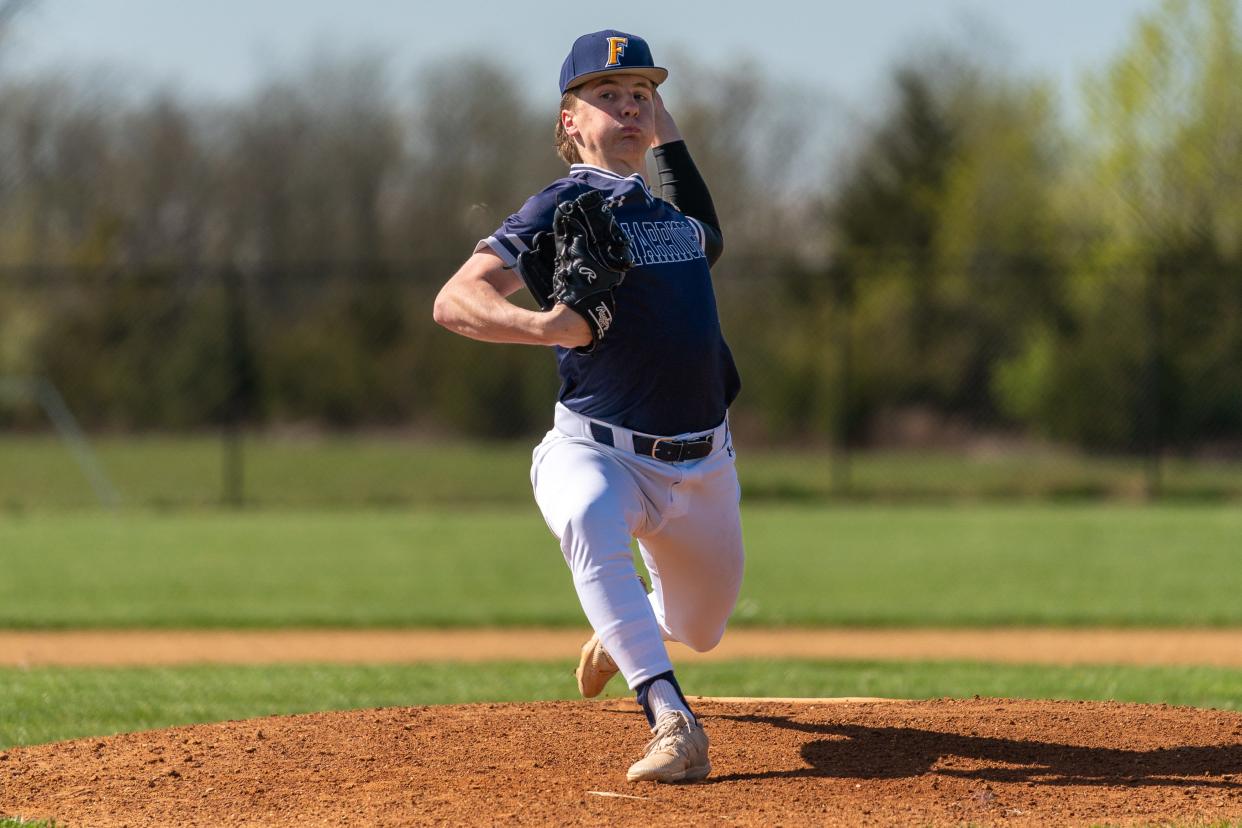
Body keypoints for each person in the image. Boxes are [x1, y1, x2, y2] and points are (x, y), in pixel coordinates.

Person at [433, 29, 743, 784]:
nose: (631, 108)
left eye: (642, 95)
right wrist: (543, 327)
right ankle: (672, 720)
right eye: (609, 96)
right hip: (595, 448)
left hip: (703, 463)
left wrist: (659, 118)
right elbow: (455, 298)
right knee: (585, 513)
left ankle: (620, 627)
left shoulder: (671, 222)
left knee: (702, 628)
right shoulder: (562, 204)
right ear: (569, 119)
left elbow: (709, 226)